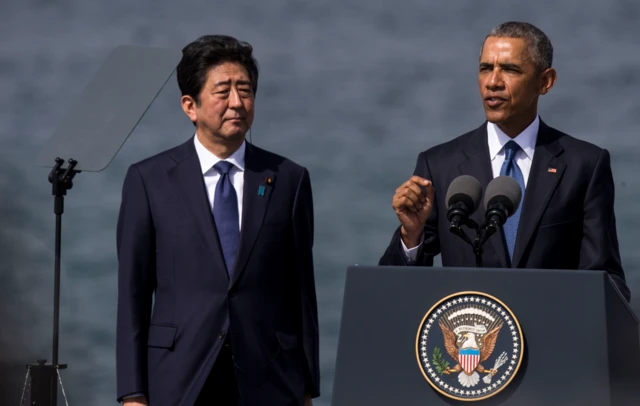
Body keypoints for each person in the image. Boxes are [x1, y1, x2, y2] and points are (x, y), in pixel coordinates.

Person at [116, 35, 319, 405]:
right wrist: (132, 393)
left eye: (245, 90)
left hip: (270, 379)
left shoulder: (288, 179)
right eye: (223, 91)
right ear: (190, 106)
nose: (237, 103)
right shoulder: (149, 180)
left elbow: (301, 292)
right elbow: (132, 295)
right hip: (180, 376)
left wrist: (308, 387)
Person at [379, 21, 630, 301]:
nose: (493, 82)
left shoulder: (584, 165)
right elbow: (397, 291)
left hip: (554, 339)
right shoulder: (439, 165)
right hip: (471, 342)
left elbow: (607, 280)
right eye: (486, 68)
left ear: (545, 81)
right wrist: (410, 235)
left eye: (509, 69)